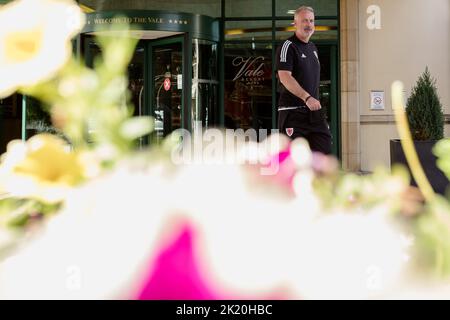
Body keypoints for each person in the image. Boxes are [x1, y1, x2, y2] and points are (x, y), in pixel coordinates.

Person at [276, 6, 332, 154]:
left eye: (311, 21)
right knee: (294, 160)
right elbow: (284, 76)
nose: (309, 24)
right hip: (292, 112)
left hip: (313, 114)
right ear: (295, 23)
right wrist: (306, 97)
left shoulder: (313, 48)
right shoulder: (288, 46)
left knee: (323, 153)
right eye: (304, 21)